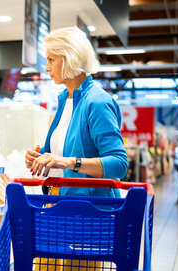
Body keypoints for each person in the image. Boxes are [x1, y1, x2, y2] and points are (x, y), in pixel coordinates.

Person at [25, 26, 128, 197]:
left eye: (51, 60)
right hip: (60, 200)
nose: (46, 68)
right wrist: (41, 156)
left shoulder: (97, 102)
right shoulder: (65, 99)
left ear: (69, 59)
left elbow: (119, 164)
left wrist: (70, 162)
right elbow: (70, 151)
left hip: (90, 210)